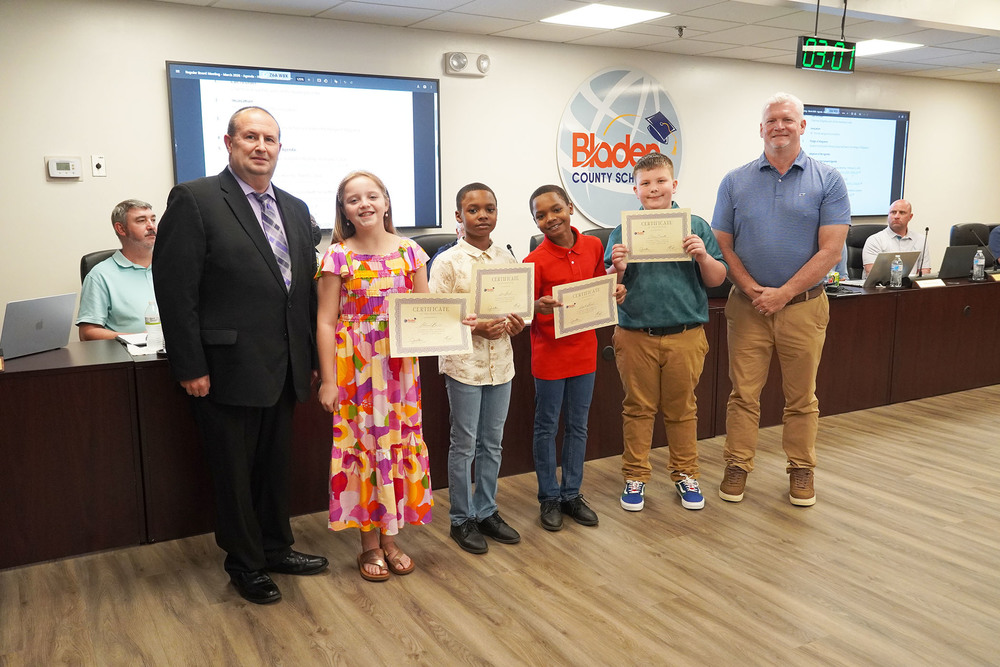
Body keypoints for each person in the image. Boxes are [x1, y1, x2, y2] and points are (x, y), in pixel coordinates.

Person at [153, 106, 328, 605]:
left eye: (270, 139)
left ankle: (275, 547)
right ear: (228, 143)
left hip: (286, 367)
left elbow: (302, 293)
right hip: (225, 369)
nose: (261, 147)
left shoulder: (295, 208)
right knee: (233, 472)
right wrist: (189, 366)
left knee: (275, 468)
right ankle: (245, 563)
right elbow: (175, 290)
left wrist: (311, 358)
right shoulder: (196, 199)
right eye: (250, 137)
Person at [317, 170, 468, 581]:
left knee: (396, 446)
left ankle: (391, 538)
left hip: (399, 370)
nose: (364, 204)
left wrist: (459, 320)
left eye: (372, 196)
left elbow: (427, 311)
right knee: (364, 449)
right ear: (344, 210)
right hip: (355, 370)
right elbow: (326, 322)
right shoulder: (336, 255)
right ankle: (369, 544)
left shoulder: (410, 253)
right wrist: (329, 380)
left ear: (386, 202)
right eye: (353, 199)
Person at [712, 92, 851, 507]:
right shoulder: (735, 181)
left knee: (802, 396)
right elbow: (723, 245)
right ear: (761, 129)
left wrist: (785, 292)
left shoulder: (828, 180)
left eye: (787, 119)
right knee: (743, 395)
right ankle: (737, 465)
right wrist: (753, 288)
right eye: (771, 120)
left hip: (804, 306)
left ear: (802, 126)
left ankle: (801, 469)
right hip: (747, 306)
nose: (779, 126)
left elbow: (831, 250)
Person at [605, 152, 728, 513]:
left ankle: (685, 475)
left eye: (660, 181)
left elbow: (718, 279)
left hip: (685, 333)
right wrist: (618, 268)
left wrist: (703, 256)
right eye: (645, 183)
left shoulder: (697, 226)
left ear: (674, 185)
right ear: (635, 189)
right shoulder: (622, 231)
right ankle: (635, 477)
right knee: (638, 409)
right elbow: (609, 290)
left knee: (682, 409)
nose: (653, 188)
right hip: (635, 334)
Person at [428, 183, 525, 554]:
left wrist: (517, 324)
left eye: (489, 209)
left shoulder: (507, 260)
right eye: (473, 210)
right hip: (464, 365)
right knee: (464, 444)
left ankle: (487, 511)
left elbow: (518, 313)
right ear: (459, 217)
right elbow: (434, 318)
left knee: (493, 443)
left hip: (501, 365)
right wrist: (476, 327)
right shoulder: (448, 262)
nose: (482, 215)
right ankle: (461, 518)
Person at [524, 185, 626, 531]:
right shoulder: (532, 262)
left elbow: (599, 291)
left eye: (555, 210)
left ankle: (571, 493)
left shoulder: (594, 246)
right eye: (541, 215)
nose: (550, 219)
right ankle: (549, 497)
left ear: (569, 207)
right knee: (547, 427)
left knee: (578, 426)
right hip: (549, 355)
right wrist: (534, 307)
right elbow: (524, 314)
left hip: (584, 352)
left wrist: (616, 288)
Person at [76, 199, 157, 340]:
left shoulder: (171, 267)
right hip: (133, 358)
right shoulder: (100, 275)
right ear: (121, 229)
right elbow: (87, 333)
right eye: (141, 221)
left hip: (178, 352)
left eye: (153, 220)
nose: (151, 226)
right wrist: (138, 339)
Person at [862, 199, 931, 276]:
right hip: (881, 287)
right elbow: (872, 273)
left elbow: (924, 271)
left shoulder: (921, 240)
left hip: (911, 286)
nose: (896, 216)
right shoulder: (874, 240)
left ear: (910, 217)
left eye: (902, 213)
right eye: (893, 212)